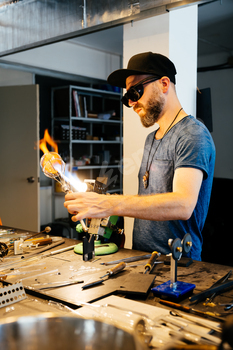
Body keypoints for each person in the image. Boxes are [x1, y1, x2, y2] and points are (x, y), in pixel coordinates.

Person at [64, 52, 215, 261]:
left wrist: (109, 204)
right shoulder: (151, 139)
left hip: (178, 266)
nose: (132, 103)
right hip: (141, 258)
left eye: (135, 92)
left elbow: (183, 204)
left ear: (164, 84)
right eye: (127, 98)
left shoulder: (193, 134)